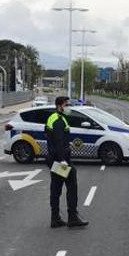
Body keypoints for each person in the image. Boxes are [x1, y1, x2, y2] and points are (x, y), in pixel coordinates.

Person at [46, 96, 88, 228]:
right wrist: (63, 160)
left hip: (54, 159)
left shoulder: (55, 118)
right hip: (60, 161)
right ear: (60, 105)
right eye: (67, 104)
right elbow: (59, 142)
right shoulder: (58, 120)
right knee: (71, 185)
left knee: (56, 187)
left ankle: (55, 218)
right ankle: (72, 217)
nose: (68, 107)